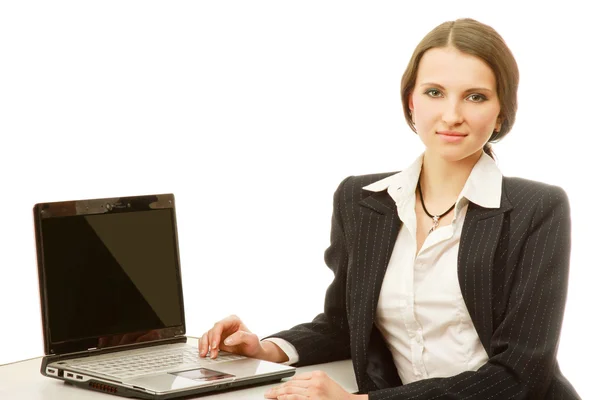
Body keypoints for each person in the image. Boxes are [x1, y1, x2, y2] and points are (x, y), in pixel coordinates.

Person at [200, 18, 580, 399]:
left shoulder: (537, 210)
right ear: (410, 101)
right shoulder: (360, 201)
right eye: (434, 92)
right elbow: (346, 325)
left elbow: (519, 374)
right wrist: (266, 350)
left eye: (475, 96)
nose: (451, 115)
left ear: (501, 112)